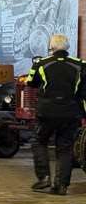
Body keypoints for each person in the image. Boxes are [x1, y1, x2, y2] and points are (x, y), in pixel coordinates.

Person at [27, 34, 86, 195]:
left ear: (51, 47)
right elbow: (84, 92)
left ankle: (44, 178)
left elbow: (31, 82)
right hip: (70, 112)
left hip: (46, 112)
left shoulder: (41, 63)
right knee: (65, 147)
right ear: (67, 47)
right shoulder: (80, 65)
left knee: (39, 142)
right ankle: (61, 185)